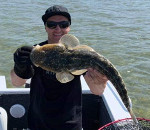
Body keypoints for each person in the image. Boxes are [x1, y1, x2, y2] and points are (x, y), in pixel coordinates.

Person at [10, 5, 108, 130]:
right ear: (45, 27)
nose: (58, 29)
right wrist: (20, 67)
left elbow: (97, 91)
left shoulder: (78, 53)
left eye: (63, 24)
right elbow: (16, 82)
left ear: (69, 27)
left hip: (71, 124)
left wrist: (100, 80)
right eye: (52, 25)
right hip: (38, 123)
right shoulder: (36, 52)